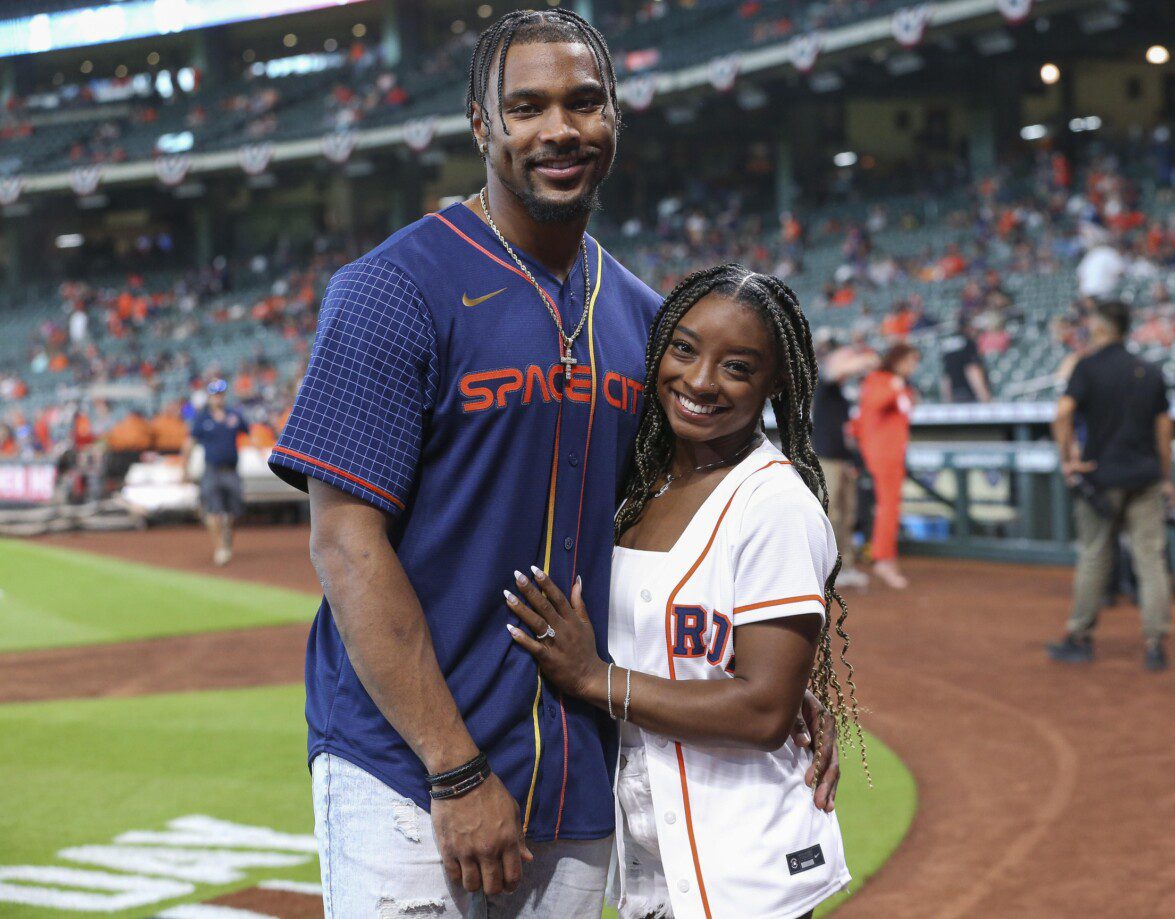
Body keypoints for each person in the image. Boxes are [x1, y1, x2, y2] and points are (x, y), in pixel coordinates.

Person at [266, 10, 842, 917]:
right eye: (526, 107)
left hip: (579, 778)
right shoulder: (390, 289)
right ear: (480, 123)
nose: (559, 130)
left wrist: (778, 682)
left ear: (615, 116)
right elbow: (345, 545)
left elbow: (689, 521)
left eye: (584, 103)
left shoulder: (648, 320)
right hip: (408, 772)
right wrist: (455, 771)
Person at [504, 266, 863, 919]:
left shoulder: (774, 504)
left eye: (738, 366)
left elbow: (761, 712)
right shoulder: (634, 488)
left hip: (749, 869)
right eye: (685, 349)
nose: (700, 381)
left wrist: (595, 679)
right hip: (653, 862)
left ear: (776, 380)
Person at [1046, 300, 1173, 671]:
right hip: (1146, 477)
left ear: (1101, 329)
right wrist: (1165, 477)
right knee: (1150, 558)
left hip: (1101, 478)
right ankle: (1155, 644)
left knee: (1094, 554)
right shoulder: (1148, 370)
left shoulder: (1087, 368)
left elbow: (1062, 413)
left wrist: (1068, 458)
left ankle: (1080, 637)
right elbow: (1164, 430)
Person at [813, 333, 877, 589]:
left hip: (842, 460)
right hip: (827, 459)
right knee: (830, 514)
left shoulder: (840, 393)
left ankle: (845, 566)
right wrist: (860, 356)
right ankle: (825, 570)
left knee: (848, 515)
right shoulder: (825, 384)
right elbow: (838, 368)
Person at [854, 343, 920, 590]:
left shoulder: (896, 382)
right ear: (899, 359)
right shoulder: (881, 379)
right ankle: (883, 559)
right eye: (911, 360)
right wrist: (895, 386)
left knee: (890, 506)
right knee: (888, 507)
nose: (913, 367)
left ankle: (885, 557)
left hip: (893, 451)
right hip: (883, 453)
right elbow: (875, 404)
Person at [182, 379, 249, 566]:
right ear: (209, 397)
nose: (218, 398)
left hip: (231, 470)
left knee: (234, 513)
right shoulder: (202, 419)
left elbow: (250, 433)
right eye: (214, 395)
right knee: (212, 511)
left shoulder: (234, 415)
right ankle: (220, 548)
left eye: (220, 395)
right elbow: (190, 442)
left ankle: (227, 540)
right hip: (212, 470)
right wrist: (184, 468)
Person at [939, 320, 992, 403]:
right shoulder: (968, 343)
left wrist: (947, 401)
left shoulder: (947, 345)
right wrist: (984, 397)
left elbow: (946, 376)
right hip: (970, 395)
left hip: (955, 395)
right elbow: (972, 370)